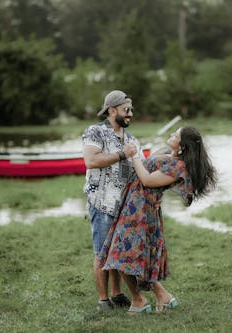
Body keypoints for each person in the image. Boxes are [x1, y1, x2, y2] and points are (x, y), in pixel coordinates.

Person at [99, 126, 217, 314]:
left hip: (141, 211)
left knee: (119, 255)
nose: (172, 135)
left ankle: (140, 299)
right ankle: (161, 296)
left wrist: (135, 154)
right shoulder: (171, 158)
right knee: (126, 255)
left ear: (183, 145)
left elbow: (146, 180)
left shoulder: (178, 167)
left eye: (176, 135)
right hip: (134, 206)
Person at [82, 90, 144, 311]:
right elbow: (91, 160)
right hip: (102, 203)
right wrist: (122, 154)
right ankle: (103, 300)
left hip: (125, 207)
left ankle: (117, 295)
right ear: (112, 110)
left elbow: (142, 170)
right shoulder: (95, 132)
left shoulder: (131, 139)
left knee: (117, 252)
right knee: (102, 253)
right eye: (126, 110)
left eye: (131, 110)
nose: (130, 114)